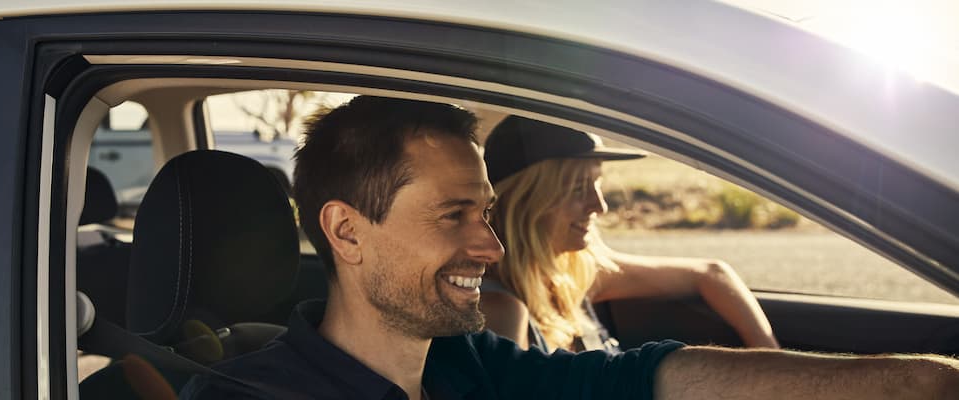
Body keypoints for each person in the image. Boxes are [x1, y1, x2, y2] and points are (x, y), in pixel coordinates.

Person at [181, 96, 959, 399]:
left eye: (486, 213)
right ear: (347, 231)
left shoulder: (471, 364)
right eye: (454, 215)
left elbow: (652, 377)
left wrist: (916, 382)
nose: (486, 245)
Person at [479, 116, 778, 353]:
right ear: (526, 201)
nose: (600, 206)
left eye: (597, 185)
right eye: (577, 189)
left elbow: (713, 274)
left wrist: (772, 364)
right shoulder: (501, 312)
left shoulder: (576, 273)